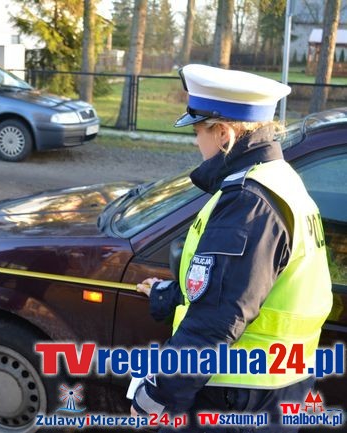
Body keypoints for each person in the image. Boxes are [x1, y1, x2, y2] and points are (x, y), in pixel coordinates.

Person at [127, 64, 333, 432]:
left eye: (197, 130)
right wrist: (168, 295)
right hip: (273, 390)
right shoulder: (278, 179)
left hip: (237, 397)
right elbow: (243, 286)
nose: (195, 142)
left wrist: (156, 396)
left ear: (223, 133)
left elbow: (217, 321)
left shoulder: (249, 202)